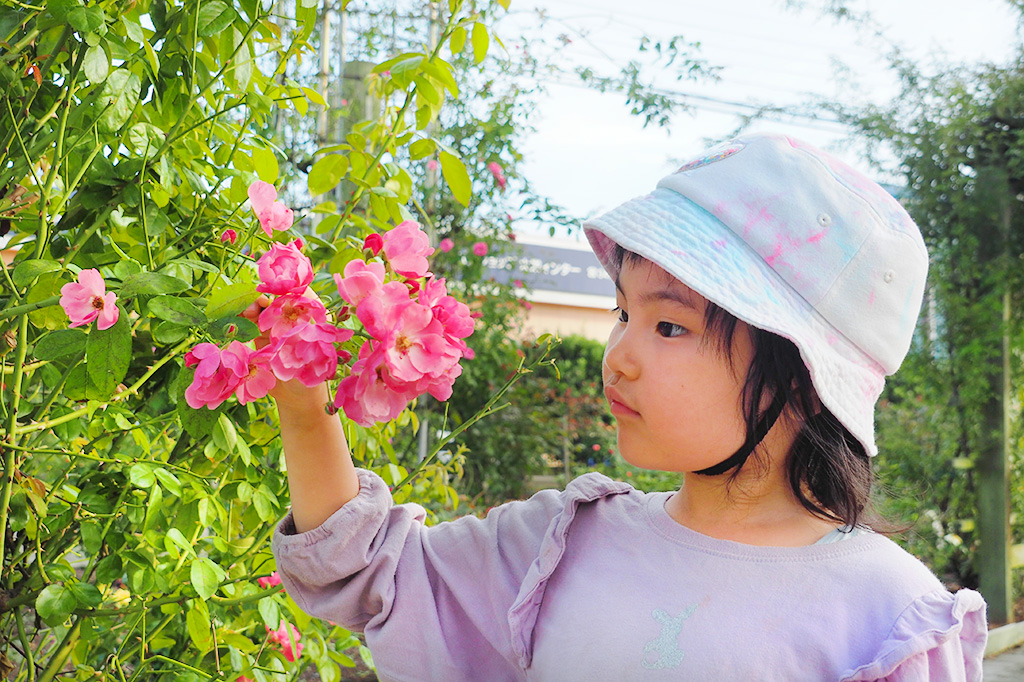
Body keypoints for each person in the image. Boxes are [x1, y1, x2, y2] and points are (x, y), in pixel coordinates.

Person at [269, 133, 988, 681]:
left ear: (799, 378)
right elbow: (375, 576)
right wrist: (303, 405)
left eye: (669, 325)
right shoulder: (560, 546)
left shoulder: (890, 616)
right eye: (623, 312)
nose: (620, 355)